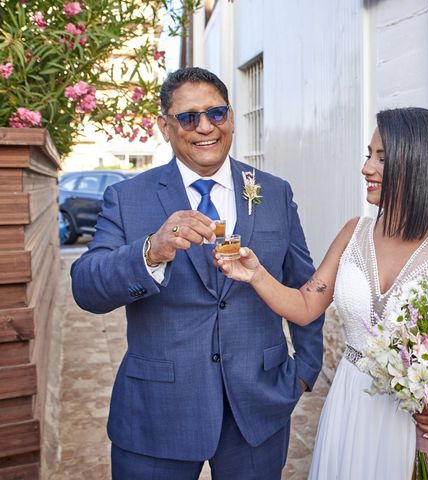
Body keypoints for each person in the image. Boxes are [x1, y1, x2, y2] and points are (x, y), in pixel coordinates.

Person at [70, 67, 324, 480]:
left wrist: (305, 371)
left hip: (257, 410)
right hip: (158, 413)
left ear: (232, 118)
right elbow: (86, 286)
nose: (204, 127)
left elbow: (304, 283)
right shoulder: (127, 197)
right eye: (188, 117)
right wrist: (152, 249)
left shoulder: (274, 191)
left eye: (216, 113)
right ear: (164, 126)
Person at [218, 107, 428, 479]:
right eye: (368, 155)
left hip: (413, 418)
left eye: (381, 158)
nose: (367, 168)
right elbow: (308, 305)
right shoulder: (353, 233)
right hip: (352, 401)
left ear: (419, 164)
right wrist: (256, 275)